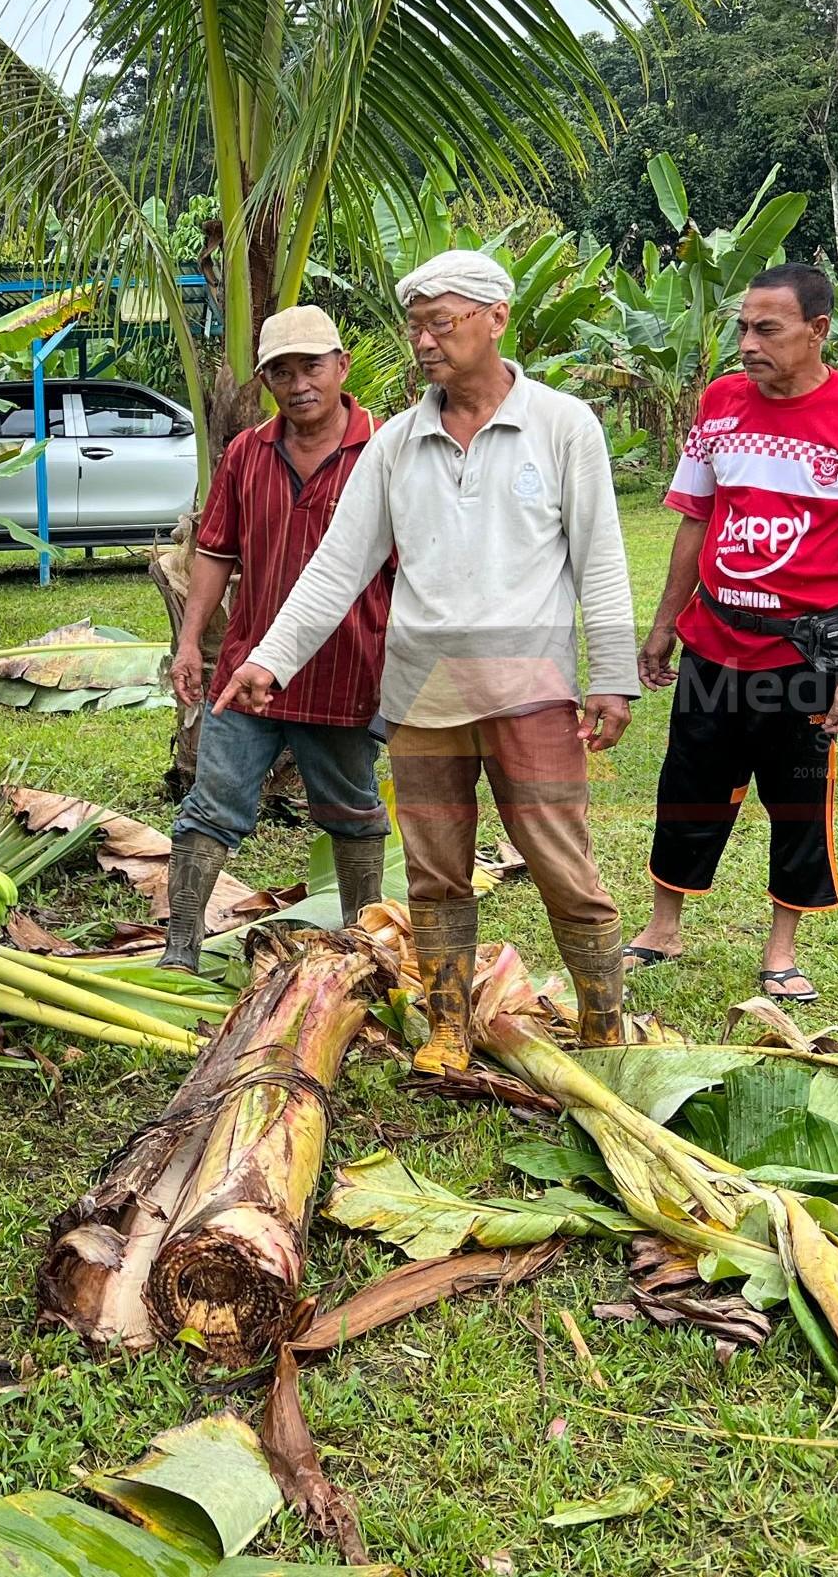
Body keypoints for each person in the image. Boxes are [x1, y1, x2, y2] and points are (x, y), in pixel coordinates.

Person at [215, 250, 639, 1069]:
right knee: (436, 868)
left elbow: (602, 559)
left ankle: (601, 1021)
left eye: (439, 323)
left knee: (560, 861)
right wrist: (271, 658)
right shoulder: (398, 443)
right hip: (421, 693)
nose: (422, 341)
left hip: (531, 688)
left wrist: (613, 675)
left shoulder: (561, 425)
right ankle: (448, 1025)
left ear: (496, 319)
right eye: (415, 325)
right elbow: (339, 563)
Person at [627, 264, 838, 1005]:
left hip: (806, 653)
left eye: (766, 329)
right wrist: (663, 625)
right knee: (687, 785)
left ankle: (781, 949)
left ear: (818, 330)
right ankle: (663, 926)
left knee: (797, 798)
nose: (746, 343)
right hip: (712, 640)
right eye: (742, 327)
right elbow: (695, 518)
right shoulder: (719, 402)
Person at [159, 305, 392, 972]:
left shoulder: (385, 452)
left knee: (352, 813)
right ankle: (180, 950)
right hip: (247, 672)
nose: (299, 384)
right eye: (281, 371)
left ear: (341, 366)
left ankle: (363, 948)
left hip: (345, 671)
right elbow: (215, 551)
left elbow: (417, 569)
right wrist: (189, 642)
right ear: (265, 380)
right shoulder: (246, 453)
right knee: (210, 808)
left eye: (311, 366)